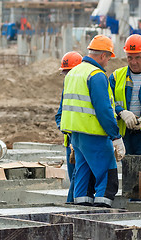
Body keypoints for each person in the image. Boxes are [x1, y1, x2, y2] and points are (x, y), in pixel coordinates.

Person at [60, 35, 125, 207]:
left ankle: (81, 213)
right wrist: (115, 136)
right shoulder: (96, 75)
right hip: (94, 134)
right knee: (107, 177)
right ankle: (101, 217)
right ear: (103, 55)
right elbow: (104, 110)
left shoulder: (73, 72)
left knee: (83, 177)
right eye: (109, 57)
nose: (108, 61)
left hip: (76, 136)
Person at [55, 51, 82, 203]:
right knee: (74, 179)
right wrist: (64, 127)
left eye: (68, 73)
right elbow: (59, 115)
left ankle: (71, 204)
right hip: (69, 144)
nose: (66, 77)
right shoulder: (67, 90)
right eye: (65, 74)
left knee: (79, 178)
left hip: (82, 141)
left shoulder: (87, 87)